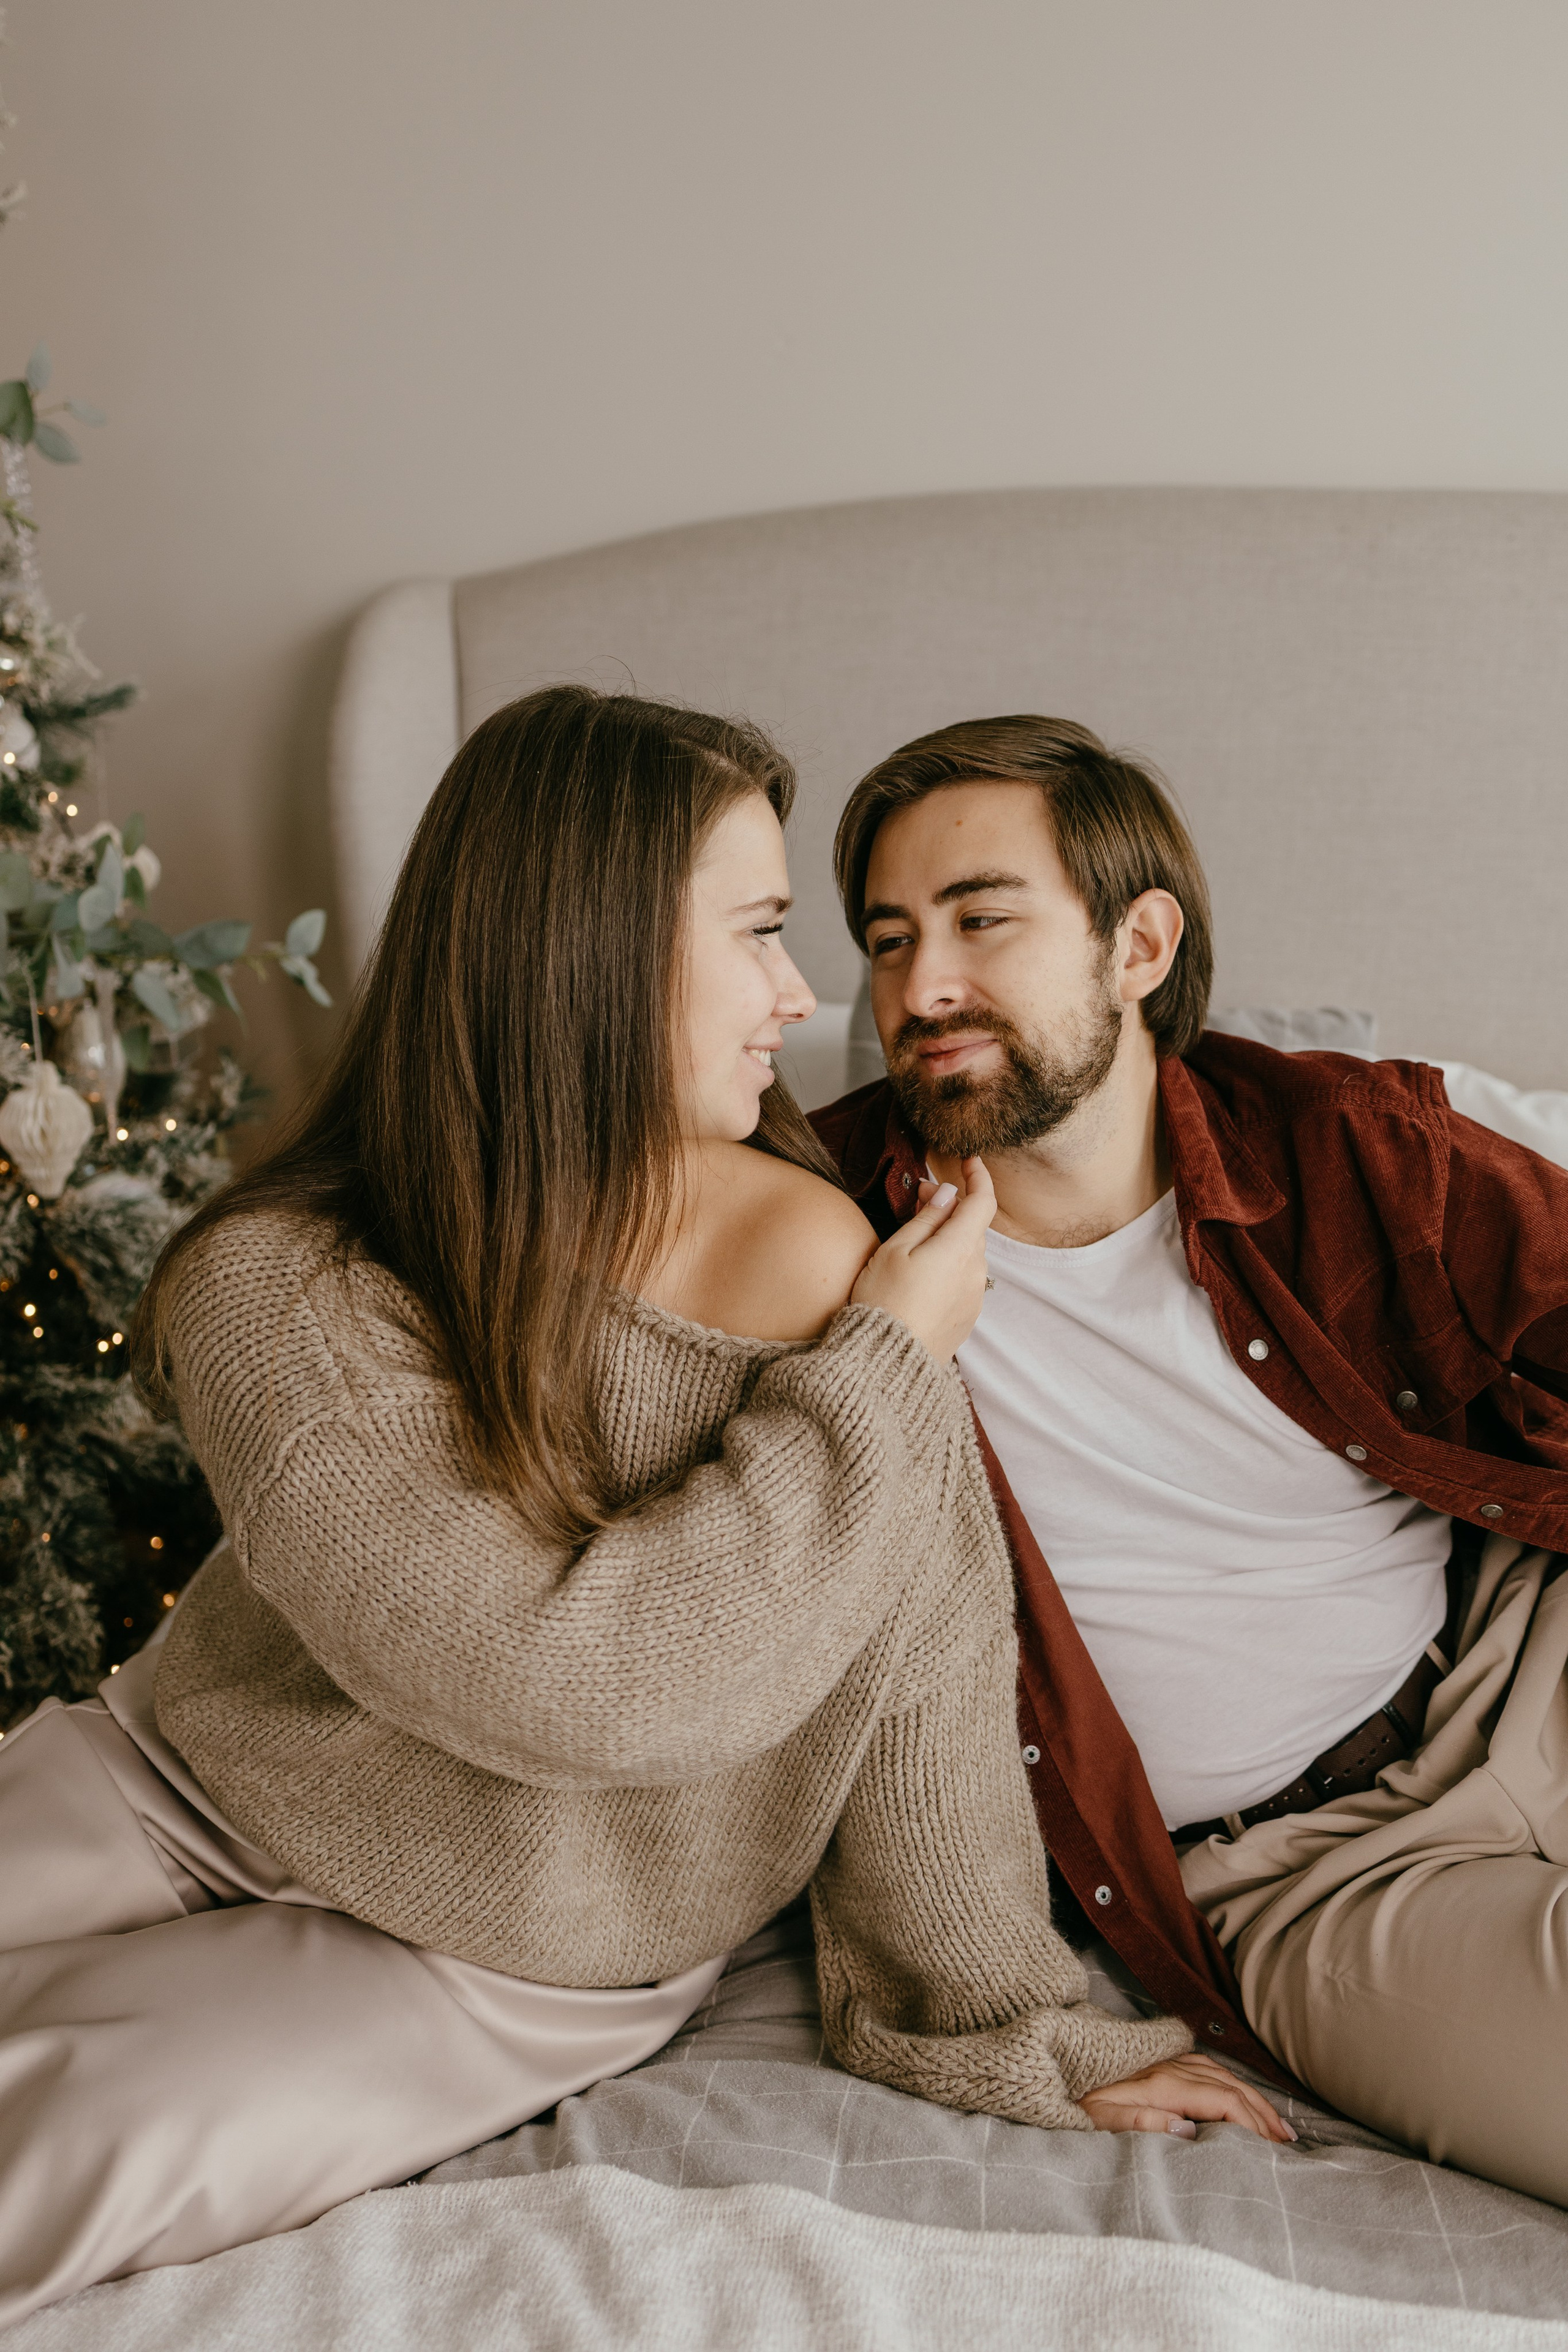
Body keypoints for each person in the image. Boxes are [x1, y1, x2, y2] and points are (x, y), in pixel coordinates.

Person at [0, 689, 1281, 2331]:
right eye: (758, 931)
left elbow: (918, 1671)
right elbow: (537, 1663)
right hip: (184, 1786)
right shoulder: (284, 1278)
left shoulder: (835, 1278)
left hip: (512, 1943)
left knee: (59, 2153)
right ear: (585, 956)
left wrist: (994, 2019)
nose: (807, 996)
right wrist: (884, 1372)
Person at [811, 710, 1568, 2207]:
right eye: (886, 940)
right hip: (1299, 1875)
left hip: (1517, 1664)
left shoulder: (1348, 1147)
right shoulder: (818, 1238)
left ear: (1137, 943)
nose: (921, 986)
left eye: (979, 920)